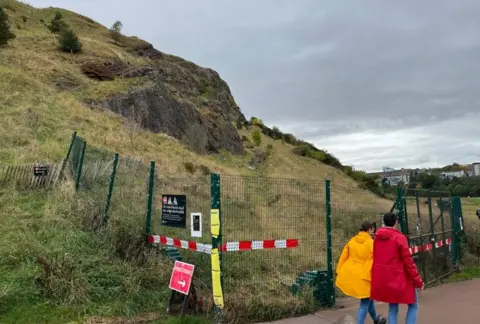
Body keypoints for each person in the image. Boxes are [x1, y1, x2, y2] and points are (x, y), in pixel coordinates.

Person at [371, 212, 423, 324]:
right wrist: (417, 280)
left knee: (393, 308)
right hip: (400, 278)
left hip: (385, 277)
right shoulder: (400, 238)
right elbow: (408, 262)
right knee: (413, 305)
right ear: (396, 222)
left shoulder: (377, 237)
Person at [335, 221, 387, 324]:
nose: (373, 231)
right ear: (369, 230)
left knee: (368, 299)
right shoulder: (371, 243)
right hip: (365, 276)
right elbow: (379, 258)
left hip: (351, 273)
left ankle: (376, 319)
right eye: (372, 229)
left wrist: (339, 270)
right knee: (364, 302)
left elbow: (343, 256)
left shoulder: (352, 240)